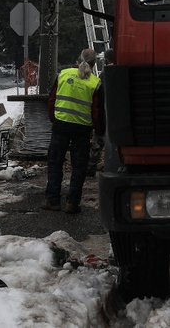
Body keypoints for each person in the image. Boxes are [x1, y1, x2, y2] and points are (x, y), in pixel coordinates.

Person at [43, 48, 102, 214]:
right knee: (79, 167)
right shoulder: (95, 83)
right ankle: (72, 203)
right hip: (82, 129)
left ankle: (52, 200)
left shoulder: (63, 74)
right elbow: (97, 112)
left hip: (61, 125)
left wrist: (54, 119)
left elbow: (52, 99)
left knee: (55, 162)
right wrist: (99, 131)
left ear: (77, 60)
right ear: (94, 64)